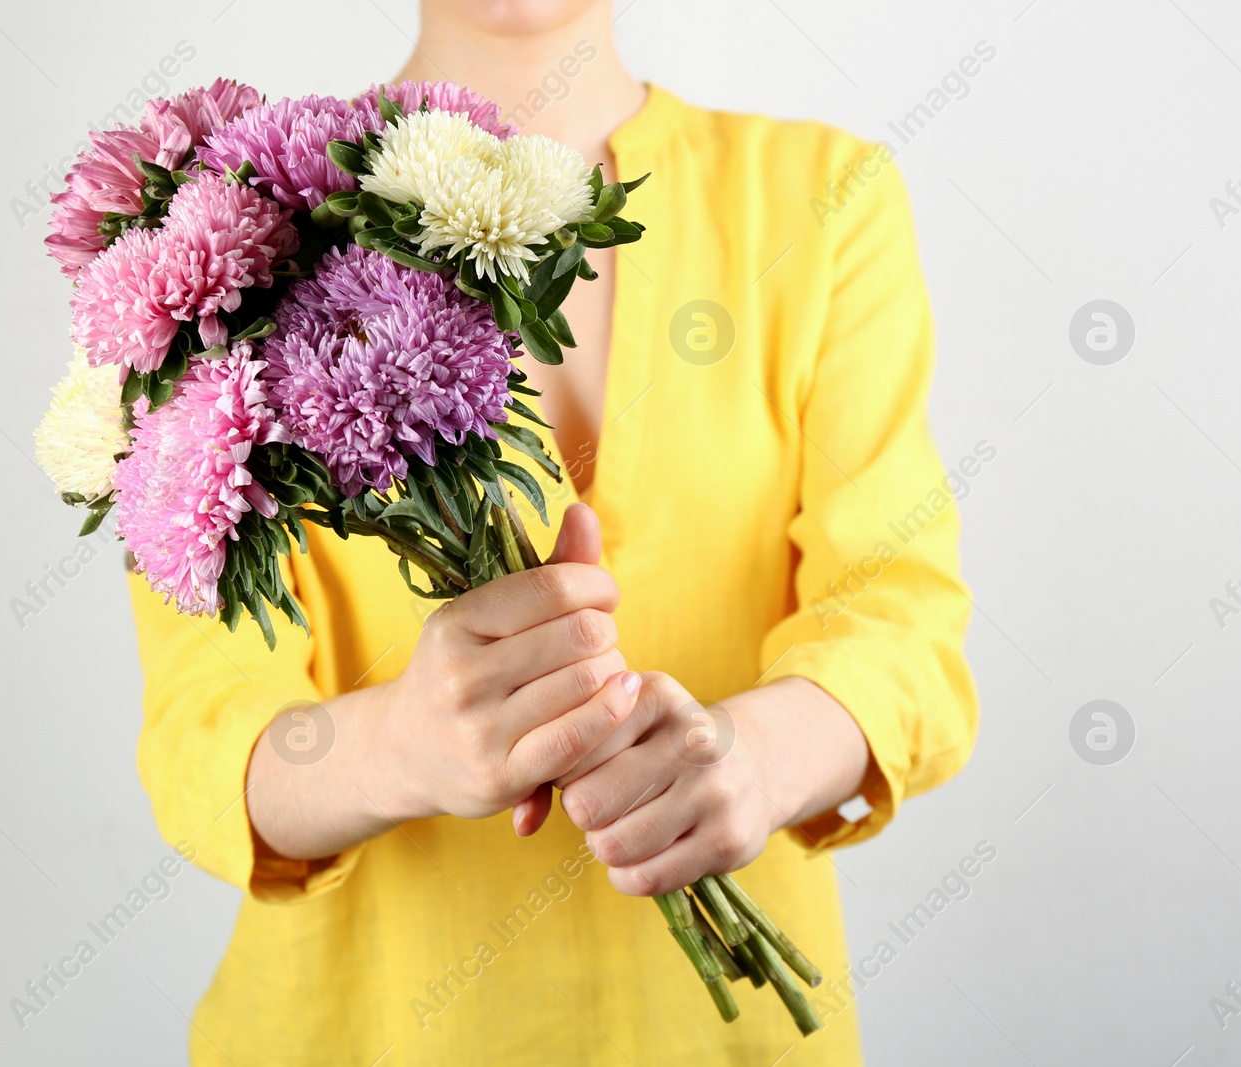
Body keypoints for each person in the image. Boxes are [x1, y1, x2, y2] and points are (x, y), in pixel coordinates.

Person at [128, 0, 979, 1062]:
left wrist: (754, 758)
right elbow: (203, 730)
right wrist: (400, 747)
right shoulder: (236, 231)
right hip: (365, 1029)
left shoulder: (823, 200)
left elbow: (898, 619)